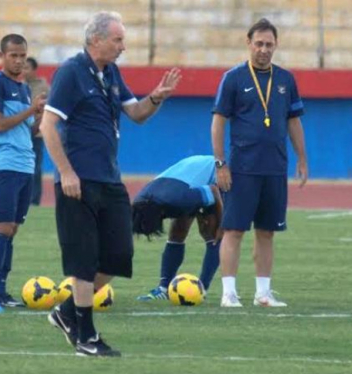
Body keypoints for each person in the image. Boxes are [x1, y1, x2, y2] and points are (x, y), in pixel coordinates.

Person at [41, 11, 181, 357]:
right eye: (117, 40)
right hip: (79, 181)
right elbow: (47, 126)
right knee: (84, 259)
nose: (123, 46)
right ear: (96, 40)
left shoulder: (111, 73)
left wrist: (157, 96)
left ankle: (67, 313)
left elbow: (136, 114)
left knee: (120, 254)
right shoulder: (72, 73)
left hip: (109, 178)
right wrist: (66, 172)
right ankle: (86, 337)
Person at [211, 18, 308, 308]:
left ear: (276, 45)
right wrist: (220, 164)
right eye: (259, 44)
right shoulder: (234, 78)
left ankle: (263, 293)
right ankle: (229, 293)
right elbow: (218, 123)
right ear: (248, 43)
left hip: (274, 167)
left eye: (269, 44)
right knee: (234, 230)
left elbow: (294, 121)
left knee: (267, 231)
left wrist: (302, 158)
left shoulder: (285, 80)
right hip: (242, 168)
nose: (264, 49)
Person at [0, 34, 46, 312]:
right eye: (13, 55)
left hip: (24, 164)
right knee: (2, 228)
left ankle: (2, 290)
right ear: (1, 56)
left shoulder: (22, 87)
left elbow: (26, 130)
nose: (18, 61)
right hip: (3, 164)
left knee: (13, 230)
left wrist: (40, 117)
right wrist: (31, 109)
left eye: (22, 56)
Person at [133, 155, 223, 300]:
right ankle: (164, 288)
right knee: (177, 233)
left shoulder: (179, 200)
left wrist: (222, 224)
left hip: (214, 175)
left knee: (212, 234)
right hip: (186, 178)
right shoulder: (140, 201)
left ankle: (202, 289)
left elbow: (213, 191)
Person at [23, 57, 49, 206]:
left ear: (34, 70)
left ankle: (34, 200)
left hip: (36, 133)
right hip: (22, 132)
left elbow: (48, 109)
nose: (24, 70)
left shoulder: (43, 87)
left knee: (36, 167)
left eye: (27, 68)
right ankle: (23, 198)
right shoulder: (20, 85)